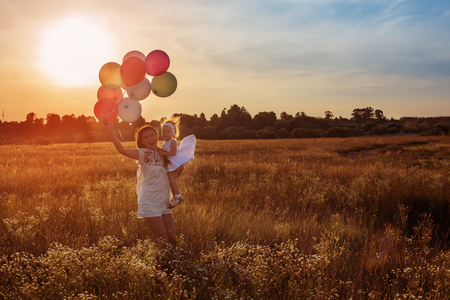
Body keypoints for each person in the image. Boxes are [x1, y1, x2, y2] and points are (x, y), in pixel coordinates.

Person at [104, 120, 176, 248]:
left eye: (152, 135)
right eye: (146, 138)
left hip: (165, 202)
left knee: (173, 240)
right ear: (142, 141)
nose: (150, 139)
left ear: (157, 135)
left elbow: (173, 174)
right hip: (150, 203)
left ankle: (171, 267)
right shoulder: (143, 153)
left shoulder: (164, 153)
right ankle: (161, 267)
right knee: (164, 244)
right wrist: (109, 129)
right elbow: (122, 150)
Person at [158, 116, 196, 208]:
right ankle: (172, 198)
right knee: (168, 180)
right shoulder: (163, 143)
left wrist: (162, 153)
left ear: (173, 133)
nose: (165, 133)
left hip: (176, 164)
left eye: (168, 132)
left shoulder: (173, 142)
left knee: (171, 179)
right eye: (163, 131)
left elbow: (173, 153)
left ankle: (178, 197)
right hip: (172, 165)